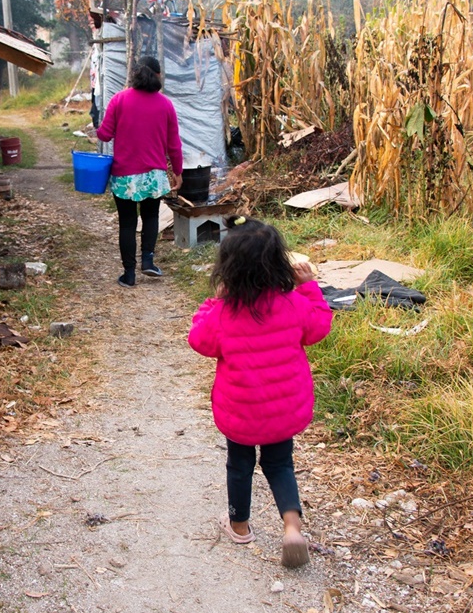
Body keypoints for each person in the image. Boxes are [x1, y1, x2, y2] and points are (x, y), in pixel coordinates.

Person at [187, 216, 333, 568]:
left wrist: (213, 302)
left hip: (241, 411)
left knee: (239, 465)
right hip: (283, 411)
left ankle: (239, 525)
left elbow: (199, 340)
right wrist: (308, 286)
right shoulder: (293, 303)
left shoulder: (224, 313)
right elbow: (319, 326)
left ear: (229, 269)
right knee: (280, 463)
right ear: (278, 263)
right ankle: (292, 525)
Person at [97, 56, 183, 288]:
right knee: (151, 217)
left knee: (127, 223)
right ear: (157, 76)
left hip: (124, 174)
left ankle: (129, 274)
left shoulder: (119, 100)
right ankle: (148, 261)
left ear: (135, 75)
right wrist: (178, 171)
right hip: (153, 175)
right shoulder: (165, 104)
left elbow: (104, 134)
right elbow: (174, 144)